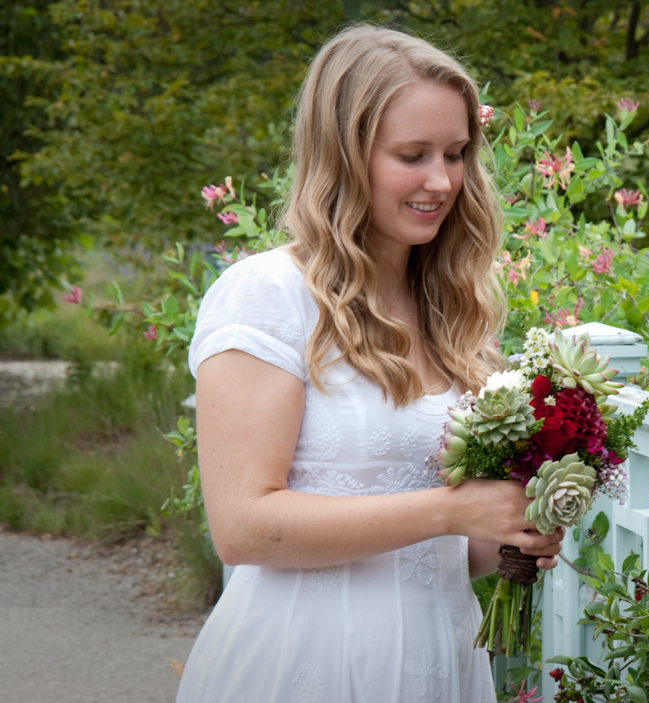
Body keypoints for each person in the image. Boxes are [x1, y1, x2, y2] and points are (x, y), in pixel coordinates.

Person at [175, 25, 564, 703]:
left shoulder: (449, 311)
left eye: (456, 152)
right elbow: (241, 526)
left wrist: (507, 530)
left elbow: (437, 549)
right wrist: (452, 510)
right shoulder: (269, 295)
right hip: (307, 662)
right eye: (412, 155)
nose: (441, 180)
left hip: (438, 657)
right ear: (344, 155)